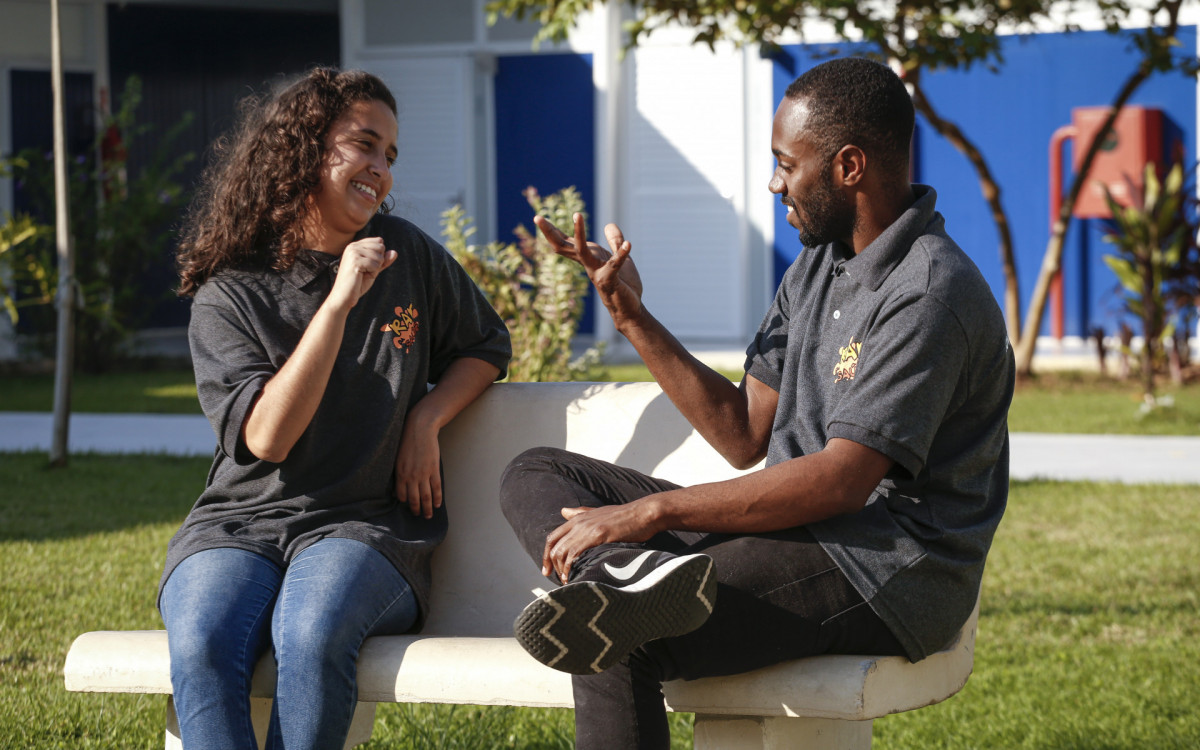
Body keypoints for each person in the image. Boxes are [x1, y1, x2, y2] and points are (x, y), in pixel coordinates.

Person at [499, 57, 1015, 749]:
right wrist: (630, 316)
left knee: (610, 630)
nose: (774, 184)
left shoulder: (927, 291)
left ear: (849, 166)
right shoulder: (817, 263)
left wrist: (650, 513)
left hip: (885, 566)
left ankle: (623, 590)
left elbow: (843, 481)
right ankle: (625, 582)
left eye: (786, 164)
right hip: (795, 530)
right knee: (534, 472)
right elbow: (743, 432)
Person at [160, 67, 511, 750]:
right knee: (202, 642)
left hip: (364, 526)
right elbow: (268, 437)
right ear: (304, 150)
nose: (381, 168)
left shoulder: (406, 254)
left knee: (313, 633)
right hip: (238, 526)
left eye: (390, 155)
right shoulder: (230, 294)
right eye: (364, 144)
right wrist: (340, 299)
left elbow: (486, 345)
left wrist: (427, 418)